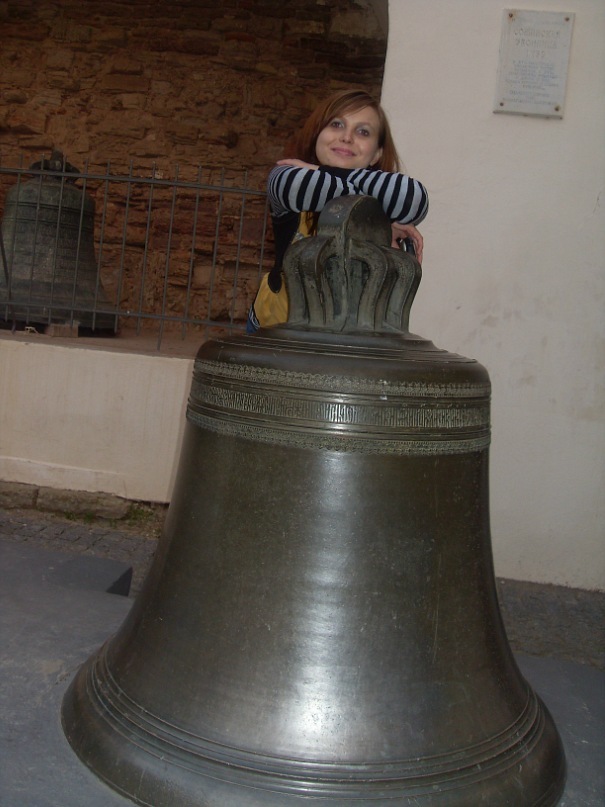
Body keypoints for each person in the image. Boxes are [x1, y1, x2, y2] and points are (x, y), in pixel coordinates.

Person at [246, 89, 429, 333]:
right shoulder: (286, 173)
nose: (346, 137)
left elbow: (411, 198)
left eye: (363, 132)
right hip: (276, 327)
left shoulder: (380, 196)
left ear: (377, 153)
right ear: (317, 135)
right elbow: (296, 186)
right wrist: (378, 206)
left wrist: (322, 171)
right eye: (336, 124)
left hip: (351, 335)